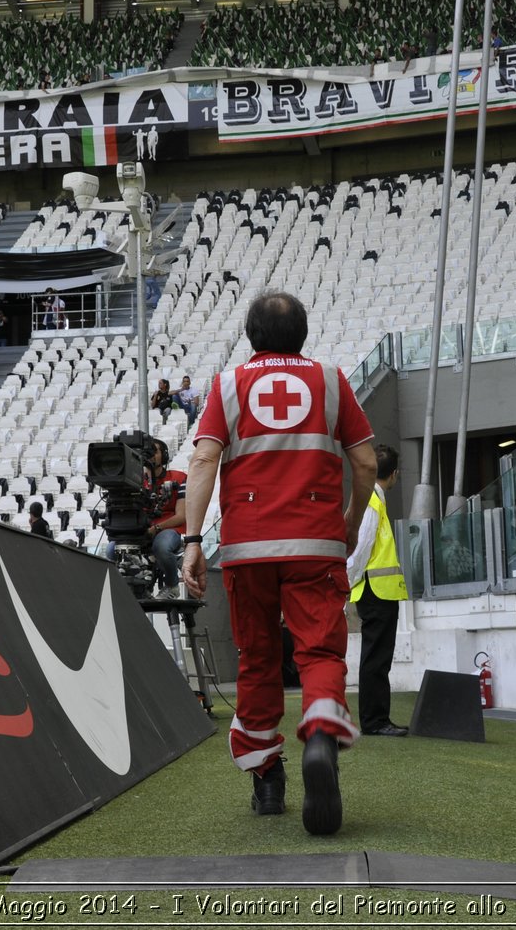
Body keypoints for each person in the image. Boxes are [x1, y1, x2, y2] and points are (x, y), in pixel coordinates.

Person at [181, 291, 377, 836]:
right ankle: (319, 727)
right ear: (304, 334)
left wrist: (194, 539)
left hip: (247, 547)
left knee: (258, 656)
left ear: (251, 336)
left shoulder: (228, 384)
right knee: (319, 650)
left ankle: (267, 781)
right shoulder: (333, 381)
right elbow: (364, 460)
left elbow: (202, 459)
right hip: (316, 541)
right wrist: (351, 518)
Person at [346, 444, 409, 738]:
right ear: (394, 474)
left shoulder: (371, 499)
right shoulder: (373, 501)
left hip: (372, 590)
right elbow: (360, 548)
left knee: (376, 657)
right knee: (377, 658)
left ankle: (375, 719)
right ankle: (375, 721)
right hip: (377, 592)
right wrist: (343, 586)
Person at [145, 438, 187, 597]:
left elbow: (181, 516)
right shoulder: (137, 480)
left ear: (164, 455)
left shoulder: (179, 477)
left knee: (161, 547)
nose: (149, 455)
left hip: (170, 529)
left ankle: (172, 585)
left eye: (154, 451)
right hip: (143, 528)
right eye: (146, 451)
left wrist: (155, 529)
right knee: (111, 550)